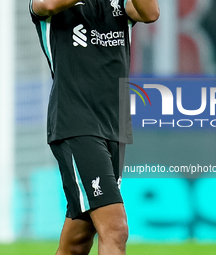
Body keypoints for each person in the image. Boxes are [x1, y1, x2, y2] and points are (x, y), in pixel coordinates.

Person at [30, 0, 159, 254]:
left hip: (115, 125)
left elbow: (150, 12)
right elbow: (46, 4)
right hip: (76, 122)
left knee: (77, 240)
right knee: (115, 229)